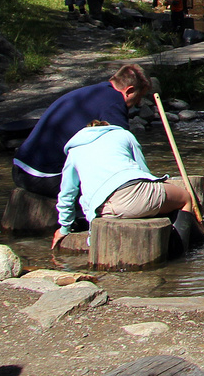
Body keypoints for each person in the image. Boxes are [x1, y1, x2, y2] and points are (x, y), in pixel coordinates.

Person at [12, 63, 153, 198]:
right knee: (114, 193)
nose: (139, 103)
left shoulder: (95, 92)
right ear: (129, 91)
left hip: (20, 168)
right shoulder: (114, 103)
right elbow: (123, 154)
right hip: (43, 176)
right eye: (139, 97)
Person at [53, 120, 192, 249]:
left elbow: (67, 194)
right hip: (133, 196)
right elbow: (143, 172)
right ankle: (184, 249)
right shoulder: (124, 135)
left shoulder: (74, 151)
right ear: (107, 127)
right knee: (185, 198)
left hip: (101, 210)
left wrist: (64, 228)